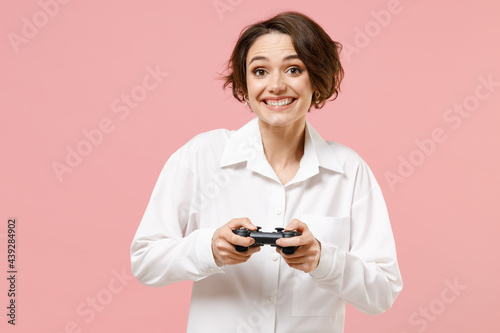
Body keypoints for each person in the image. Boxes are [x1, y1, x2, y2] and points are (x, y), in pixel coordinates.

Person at [130, 11, 403, 333]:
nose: (275, 86)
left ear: (316, 78)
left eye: (293, 69)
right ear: (244, 84)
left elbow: (382, 293)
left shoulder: (349, 170)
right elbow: (145, 261)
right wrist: (209, 248)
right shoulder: (201, 157)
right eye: (260, 71)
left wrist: (322, 260)